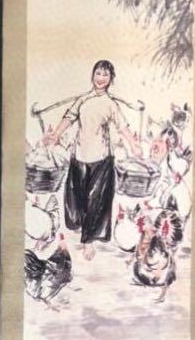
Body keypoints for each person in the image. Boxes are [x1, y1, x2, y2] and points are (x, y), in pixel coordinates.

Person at [44, 60, 141, 260]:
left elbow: (122, 127)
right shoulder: (82, 100)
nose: (101, 78)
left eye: (106, 75)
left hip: (101, 159)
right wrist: (56, 135)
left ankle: (88, 241)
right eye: (98, 73)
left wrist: (133, 144)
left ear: (111, 79)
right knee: (75, 201)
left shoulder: (111, 104)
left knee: (95, 201)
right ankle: (81, 228)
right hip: (79, 156)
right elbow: (69, 118)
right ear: (92, 75)